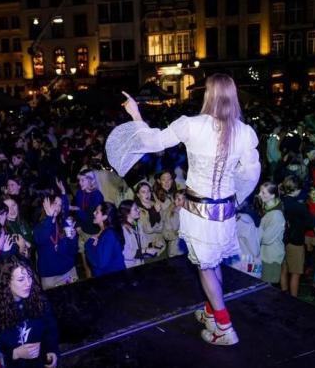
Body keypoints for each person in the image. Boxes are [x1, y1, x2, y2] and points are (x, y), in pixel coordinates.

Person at [106, 74, 260, 345]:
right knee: (213, 263)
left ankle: (225, 327)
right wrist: (233, 199)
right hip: (224, 212)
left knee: (205, 266)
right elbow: (250, 173)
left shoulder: (191, 125)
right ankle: (212, 312)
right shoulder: (244, 132)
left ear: (208, 94)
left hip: (199, 212)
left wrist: (136, 114)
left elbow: (153, 143)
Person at [0, 256, 59, 368]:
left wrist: (51, 350)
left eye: (29, 277)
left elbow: (50, 328)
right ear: (7, 282)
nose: (28, 283)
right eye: (21, 280)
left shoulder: (38, 299)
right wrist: (15, 354)